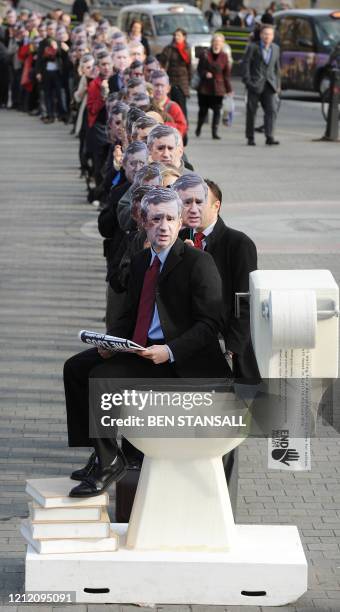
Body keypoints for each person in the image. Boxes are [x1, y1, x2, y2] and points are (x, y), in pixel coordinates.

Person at [63, 187, 227, 497]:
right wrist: (110, 342)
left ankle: (112, 462)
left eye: (169, 219)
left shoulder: (197, 263)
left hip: (180, 361)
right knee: (75, 368)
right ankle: (100, 453)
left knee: (102, 380)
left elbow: (210, 325)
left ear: (180, 223)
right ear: (144, 223)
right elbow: (129, 317)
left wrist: (169, 351)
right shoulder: (141, 261)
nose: (163, 226)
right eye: (155, 219)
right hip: (141, 349)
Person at [173, 174, 259, 382]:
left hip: (223, 343)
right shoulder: (180, 238)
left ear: (216, 206)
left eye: (200, 202)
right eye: (188, 202)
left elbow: (244, 300)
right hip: (186, 341)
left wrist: (232, 349)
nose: (193, 208)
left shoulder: (238, 243)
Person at [242, 24, 280, 146]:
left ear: (273, 36)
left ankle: (269, 136)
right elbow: (246, 64)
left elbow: (277, 68)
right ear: (260, 35)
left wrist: (278, 84)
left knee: (272, 110)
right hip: (254, 83)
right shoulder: (253, 47)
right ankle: (250, 137)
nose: (267, 36)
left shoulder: (276, 48)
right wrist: (247, 81)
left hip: (270, 84)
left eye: (270, 34)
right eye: (265, 34)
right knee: (251, 111)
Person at [196, 33, 233, 140]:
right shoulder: (205, 54)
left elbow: (227, 75)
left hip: (218, 88)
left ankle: (214, 132)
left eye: (219, 42)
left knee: (217, 111)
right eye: (215, 41)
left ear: (222, 44)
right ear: (212, 43)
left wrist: (229, 89)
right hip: (205, 88)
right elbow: (199, 69)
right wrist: (205, 73)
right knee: (203, 110)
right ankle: (199, 127)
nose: (217, 44)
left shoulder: (224, 56)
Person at [159, 28, 191, 120]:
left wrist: (189, 80)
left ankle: (184, 130)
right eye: (175, 35)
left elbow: (189, 66)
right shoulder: (169, 48)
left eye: (179, 35)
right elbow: (162, 61)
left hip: (182, 81)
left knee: (182, 106)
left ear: (184, 37)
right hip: (171, 79)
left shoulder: (187, 49)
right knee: (170, 105)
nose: (176, 37)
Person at [151, 69, 187, 138]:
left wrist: (162, 125)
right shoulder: (147, 105)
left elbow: (182, 127)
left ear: (168, 88)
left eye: (162, 86)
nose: (159, 89)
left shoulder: (173, 107)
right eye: (156, 85)